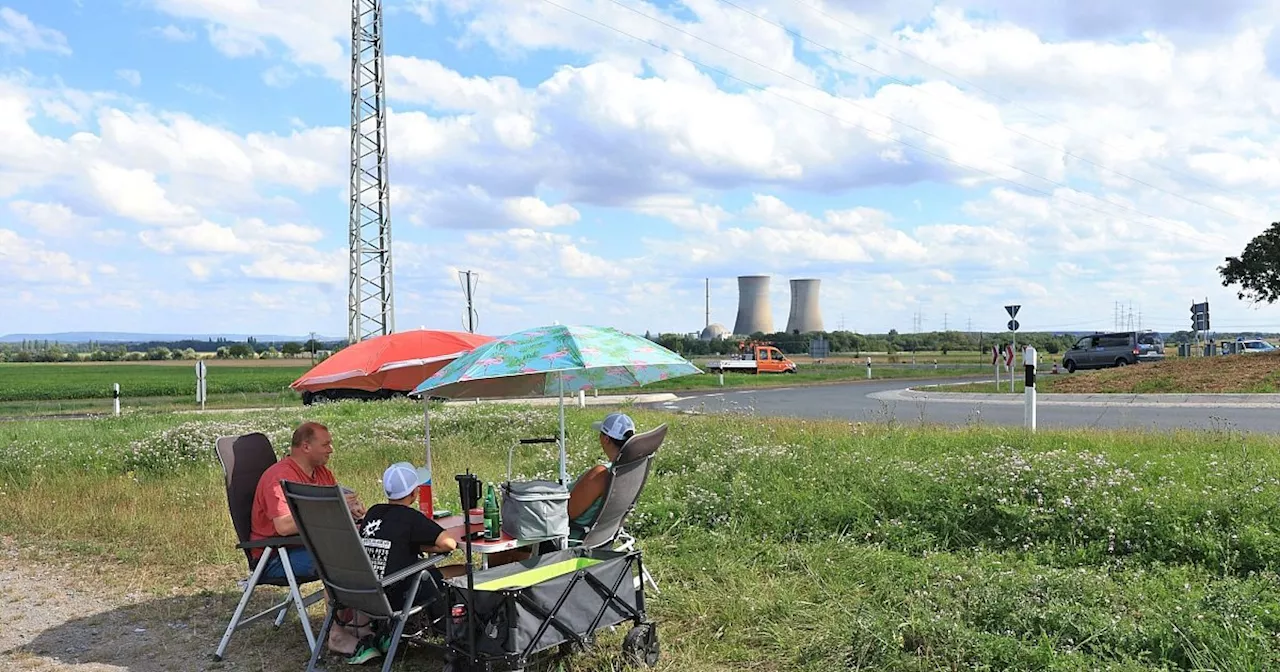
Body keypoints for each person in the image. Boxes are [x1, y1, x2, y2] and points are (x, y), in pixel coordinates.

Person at [248, 421, 366, 653]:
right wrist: (333, 508)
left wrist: (351, 509)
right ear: (305, 446)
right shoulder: (280, 478)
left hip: (311, 545)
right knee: (339, 560)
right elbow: (282, 526)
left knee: (368, 545)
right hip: (276, 555)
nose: (331, 449)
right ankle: (337, 634)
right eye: (326, 444)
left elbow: (333, 506)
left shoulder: (321, 473)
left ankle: (360, 622)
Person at [348, 462, 466, 665]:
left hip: (367, 592)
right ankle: (460, 626)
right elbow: (449, 544)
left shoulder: (374, 512)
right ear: (415, 493)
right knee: (463, 570)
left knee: (426, 568)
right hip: (398, 594)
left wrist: (413, 546)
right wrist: (424, 547)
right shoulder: (411, 517)